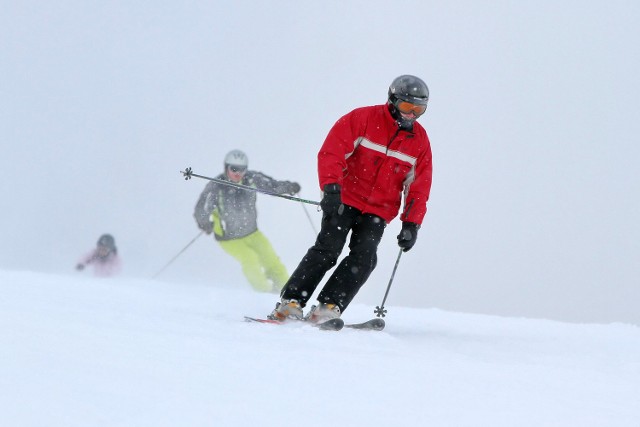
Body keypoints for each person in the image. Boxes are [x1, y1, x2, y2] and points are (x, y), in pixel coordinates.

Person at [269, 75, 433, 322]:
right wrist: (331, 188)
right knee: (328, 249)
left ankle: (328, 306)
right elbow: (332, 152)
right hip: (345, 199)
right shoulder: (363, 119)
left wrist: (412, 224)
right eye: (407, 107)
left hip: (378, 210)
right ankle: (291, 302)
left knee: (364, 258)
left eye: (419, 110)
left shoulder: (419, 142)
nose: (411, 115)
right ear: (392, 101)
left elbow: (419, 186)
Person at [194, 149, 301, 293]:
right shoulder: (217, 185)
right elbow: (202, 207)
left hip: (252, 233)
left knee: (272, 260)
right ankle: (264, 293)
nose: (238, 173)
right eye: (234, 169)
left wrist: (289, 187)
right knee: (250, 260)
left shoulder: (251, 179)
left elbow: (272, 186)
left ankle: (288, 295)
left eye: (242, 169)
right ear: (226, 168)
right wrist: (204, 223)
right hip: (229, 238)